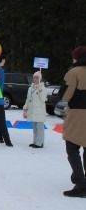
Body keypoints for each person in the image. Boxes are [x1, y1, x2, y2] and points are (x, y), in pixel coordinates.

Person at [59, 46, 86, 198]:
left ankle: (80, 182)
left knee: (72, 148)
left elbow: (65, 96)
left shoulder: (74, 72)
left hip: (77, 115)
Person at [23, 71, 47, 148]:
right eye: (34, 77)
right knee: (34, 128)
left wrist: (40, 91)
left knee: (40, 128)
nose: (35, 79)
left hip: (39, 111)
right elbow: (28, 99)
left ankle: (40, 143)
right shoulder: (30, 88)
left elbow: (43, 99)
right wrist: (25, 109)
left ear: (40, 79)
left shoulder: (43, 88)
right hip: (32, 111)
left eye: (37, 78)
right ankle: (35, 141)